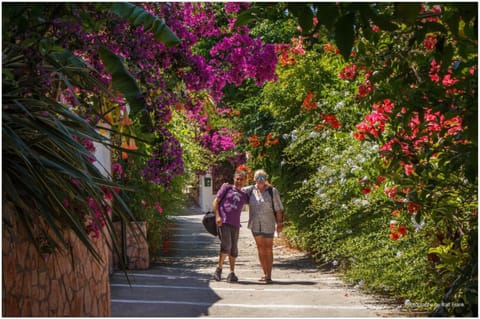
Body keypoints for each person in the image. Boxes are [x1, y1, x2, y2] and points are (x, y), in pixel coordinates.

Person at [243, 169, 284, 284]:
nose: (261, 180)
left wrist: (279, 223)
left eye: (263, 178)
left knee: (268, 248)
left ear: (266, 179)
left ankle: (269, 275)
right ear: (254, 179)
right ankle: (265, 273)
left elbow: (278, 208)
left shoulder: (272, 191)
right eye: (258, 178)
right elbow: (236, 192)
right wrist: (226, 188)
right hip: (255, 224)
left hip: (268, 223)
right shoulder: (250, 190)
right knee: (260, 248)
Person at [212, 170, 249, 282]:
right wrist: (218, 216)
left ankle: (232, 273)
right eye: (237, 178)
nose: (239, 181)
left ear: (245, 181)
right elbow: (216, 202)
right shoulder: (226, 188)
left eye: (241, 179)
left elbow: (255, 196)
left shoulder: (244, 195)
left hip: (236, 224)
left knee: (234, 249)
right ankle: (219, 269)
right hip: (224, 222)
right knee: (226, 245)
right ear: (234, 179)